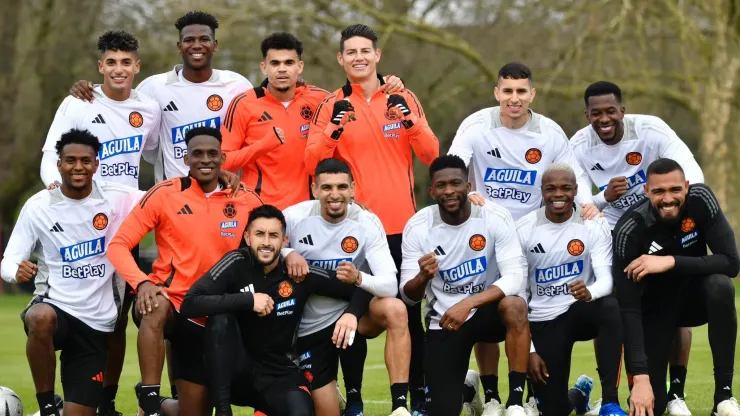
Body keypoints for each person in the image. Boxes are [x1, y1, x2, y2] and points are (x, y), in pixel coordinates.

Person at [106, 127, 295, 416]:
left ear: (223, 157)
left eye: (212, 154)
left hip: (228, 316)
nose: (205, 160)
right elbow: (118, 245)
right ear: (186, 158)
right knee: (153, 307)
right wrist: (142, 283)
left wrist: (291, 253)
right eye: (197, 154)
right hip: (179, 309)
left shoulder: (244, 198)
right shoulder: (165, 194)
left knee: (193, 412)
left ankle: (160, 406)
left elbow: (272, 235)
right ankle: (149, 400)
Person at [448, 62, 599, 416]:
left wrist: (588, 204)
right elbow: (454, 166)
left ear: (532, 94)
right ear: (497, 93)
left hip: (534, 235)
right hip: (487, 234)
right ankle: (493, 397)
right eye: (507, 91)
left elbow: (572, 174)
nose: (514, 98)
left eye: (521, 91)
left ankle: (539, 395)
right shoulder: (475, 125)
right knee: (484, 311)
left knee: (533, 312)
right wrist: (465, 192)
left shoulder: (549, 132)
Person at [306, 24, 439, 415]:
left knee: (407, 313)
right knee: (351, 312)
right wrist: (334, 128)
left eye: (366, 50)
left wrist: (410, 121)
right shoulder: (331, 104)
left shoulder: (401, 94)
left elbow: (431, 154)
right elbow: (311, 161)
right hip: (355, 227)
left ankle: (417, 398)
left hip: (402, 225)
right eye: (351, 52)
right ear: (340, 59)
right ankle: (357, 399)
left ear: (377, 55)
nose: (359, 57)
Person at [38, 30, 160, 416]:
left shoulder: (150, 108)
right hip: (77, 223)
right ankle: (54, 399)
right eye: (112, 62)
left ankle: (106, 401)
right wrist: (62, 196)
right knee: (66, 307)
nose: (119, 69)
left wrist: (158, 200)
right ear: (100, 67)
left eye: (126, 62)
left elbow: (160, 158)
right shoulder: (78, 101)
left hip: (125, 226)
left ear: (137, 66)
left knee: (117, 317)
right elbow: (48, 154)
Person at [570, 81, 705, 416]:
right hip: (614, 228)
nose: (604, 119)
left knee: (672, 298)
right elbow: (579, 202)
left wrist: (674, 210)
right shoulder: (577, 144)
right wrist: (605, 198)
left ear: (622, 111)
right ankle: (610, 398)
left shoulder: (650, 129)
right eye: (595, 113)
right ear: (587, 114)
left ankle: (676, 395)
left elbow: (694, 174)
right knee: (612, 303)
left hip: (658, 221)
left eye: (610, 111)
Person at [1, 129, 146, 416]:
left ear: (96, 163)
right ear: (59, 165)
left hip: (96, 326)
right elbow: (9, 260)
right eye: (70, 161)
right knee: (40, 317)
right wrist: (13, 271)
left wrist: (220, 179)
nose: (78, 167)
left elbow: (166, 197)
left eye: (85, 160)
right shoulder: (39, 206)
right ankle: (46, 408)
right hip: (56, 310)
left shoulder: (120, 198)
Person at [180, 204, 371, 416]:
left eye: (273, 235)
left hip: (278, 373)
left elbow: (360, 288)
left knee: (301, 412)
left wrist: (352, 314)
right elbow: (190, 303)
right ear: (247, 237)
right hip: (233, 373)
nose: (266, 242)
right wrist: (248, 300)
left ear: (284, 240)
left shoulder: (297, 273)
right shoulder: (235, 262)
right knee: (220, 319)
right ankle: (223, 412)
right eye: (260, 234)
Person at [400, 154, 530, 416]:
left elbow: (515, 277)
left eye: (456, 183)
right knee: (443, 410)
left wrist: (469, 302)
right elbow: (408, 297)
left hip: (488, 311)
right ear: (432, 190)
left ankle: (515, 401)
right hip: (445, 320)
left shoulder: (494, 216)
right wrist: (422, 277)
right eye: (442, 185)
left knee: (515, 305)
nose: (449, 191)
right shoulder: (417, 227)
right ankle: (468, 388)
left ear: (468, 186)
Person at [283, 158, 411, 416]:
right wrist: (287, 253)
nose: (335, 195)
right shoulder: (294, 217)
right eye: (327, 187)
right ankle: (334, 394)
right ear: (315, 189)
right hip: (310, 325)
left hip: (356, 314)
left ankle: (399, 406)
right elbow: (261, 245)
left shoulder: (367, 221)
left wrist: (359, 279)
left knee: (395, 308)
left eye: (342, 187)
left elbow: (389, 284)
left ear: (353, 188)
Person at [220, 32, 404, 211]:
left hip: (311, 210)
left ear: (300, 66)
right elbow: (223, 161)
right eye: (275, 63)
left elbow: (347, 144)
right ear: (263, 67)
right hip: (261, 211)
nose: (282, 69)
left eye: (289, 63)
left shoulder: (322, 100)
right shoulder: (243, 103)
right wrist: (263, 145)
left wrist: (387, 82)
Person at [612, 158, 739, 416]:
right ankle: (667, 394)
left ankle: (724, 396)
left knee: (721, 285)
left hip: (695, 300)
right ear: (647, 191)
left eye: (675, 190)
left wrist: (669, 262)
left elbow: (731, 263)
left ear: (687, 187)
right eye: (658, 191)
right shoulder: (630, 228)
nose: (668, 199)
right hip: (655, 309)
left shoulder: (701, 198)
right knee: (651, 408)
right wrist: (641, 379)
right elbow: (629, 309)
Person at [69, 11, 253, 182]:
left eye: (204, 39)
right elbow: (122, 107)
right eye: (189, 40)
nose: (197, 45)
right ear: (179, 47)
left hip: (224, 195)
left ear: (215, 45)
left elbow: (251, 139)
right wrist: (92, 89)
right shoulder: (153, 87)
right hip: (173, 198)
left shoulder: (238, 86)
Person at [517, 163, 626, 416]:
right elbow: (519, 295)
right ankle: (579, 394)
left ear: (576, 190)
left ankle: (610, 402)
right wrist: (530, 350)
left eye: (566, 188)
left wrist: (590, 293)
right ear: (541, 191)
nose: (558, 194)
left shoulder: (593, 224)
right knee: (554, 410)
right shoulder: (524, 228)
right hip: (543, 320)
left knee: (610, 306)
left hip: (579, 310)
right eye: (550, 189)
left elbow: (606, 281)